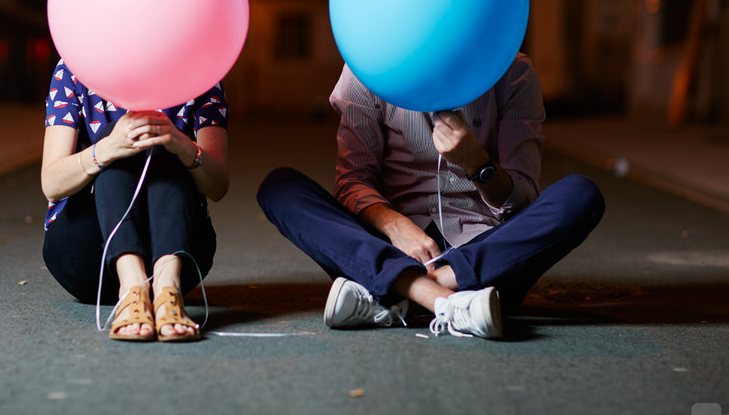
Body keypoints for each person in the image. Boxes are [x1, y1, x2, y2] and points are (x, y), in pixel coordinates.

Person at [257, 54, 604, 339]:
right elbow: (353, 182)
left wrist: (478, 165)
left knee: (581, 194)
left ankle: (396, 290)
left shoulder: (513, 72)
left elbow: (522, 200)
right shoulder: (368, 66)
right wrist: (394, 225)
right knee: (280, 187)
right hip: (385, 245)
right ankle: (441, 299)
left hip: (485, 251)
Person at [41, 59, 229, 342]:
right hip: (88, 255)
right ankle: (132, 287)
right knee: (120, 134)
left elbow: (218, 187)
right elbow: (52, 185)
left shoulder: (200, 60)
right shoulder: (75, 64)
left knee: (161, 137)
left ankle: (168, 289)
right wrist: (106, 149)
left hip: (180, 250)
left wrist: (181, 145)